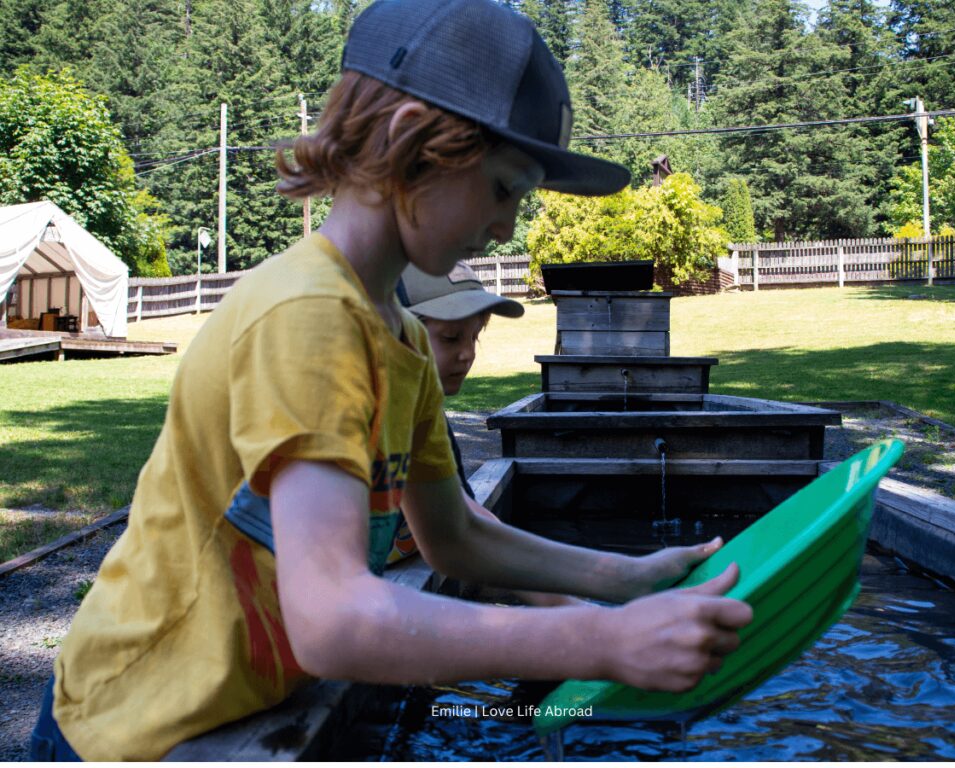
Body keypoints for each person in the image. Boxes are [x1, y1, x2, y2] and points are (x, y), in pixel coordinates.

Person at [31, 0, 751, 760]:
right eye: (505, 188)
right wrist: (598, 642)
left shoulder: (398, 332)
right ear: (415, 146)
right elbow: (333, 620)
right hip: (131, 729)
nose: (508, 227)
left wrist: (627, 578)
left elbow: (456, 536)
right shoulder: (306, 316)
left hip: (230, 712)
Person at [388, 260, 579, 607]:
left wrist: (574, 602)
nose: (468, 353)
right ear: (397, 333)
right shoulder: (360, 424)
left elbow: (468, 518)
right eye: (450, 338)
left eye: (475, 336)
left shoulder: (426, 416)